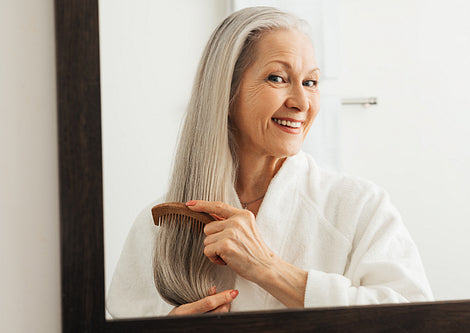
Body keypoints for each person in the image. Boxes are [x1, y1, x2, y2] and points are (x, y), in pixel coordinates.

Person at [106, 6, 433, 318]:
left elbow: (416, 320)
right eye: (278, 78)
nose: (302, 102)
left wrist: (269, 269)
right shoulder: (160, 224)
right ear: (227, 91)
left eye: (310, 82)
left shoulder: (361, 207)